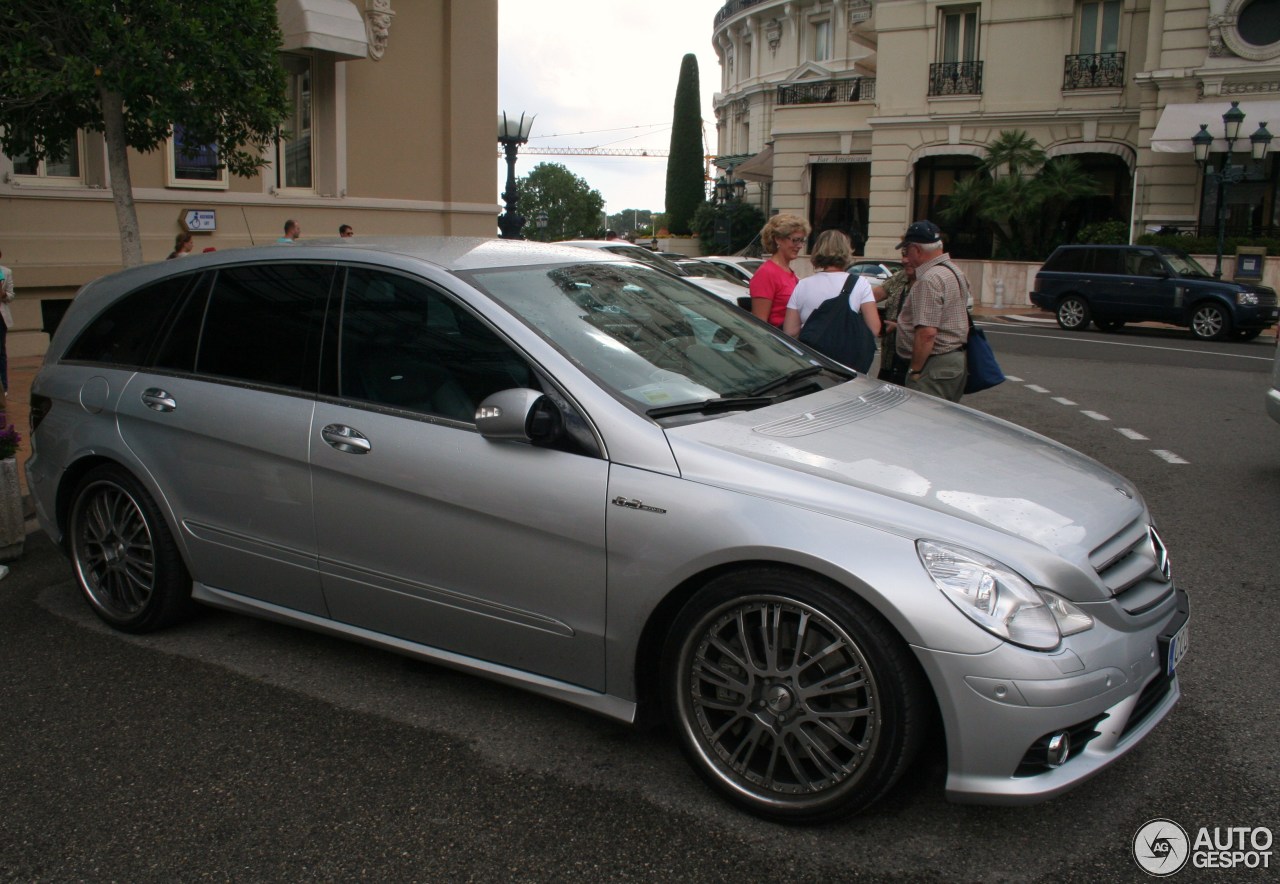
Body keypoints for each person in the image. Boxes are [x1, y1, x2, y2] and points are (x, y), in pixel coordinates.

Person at [894, 220, 970, 401]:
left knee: (923, 420)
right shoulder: (953, 271)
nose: (906, 258)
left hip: (935, 363)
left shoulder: (929, 279)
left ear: (916, 249)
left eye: (906, 251)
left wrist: (915, 370)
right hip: (954, 360)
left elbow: (927, 332)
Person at [783, 229, 880, 339]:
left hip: (811, 352)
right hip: (844, 353)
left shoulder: (802, 285)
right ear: (847, 251)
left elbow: (790, 331)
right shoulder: (860, 283)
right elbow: (874, 329)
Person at [749, 213, 810, 327]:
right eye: (795, 240)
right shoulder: (767, 273)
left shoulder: (788, 272)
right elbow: (759, 324)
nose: (800, 245)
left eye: (802, 240)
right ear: (778, 239)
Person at [873, 263, 913, 384]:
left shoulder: (928, 281)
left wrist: (899, 327)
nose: (905, 259)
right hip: (889, 359)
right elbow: (871, 296)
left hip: (912, 360)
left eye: (908, 253)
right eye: (903, 254)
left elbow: (929, 330)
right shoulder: (900, 277)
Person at [0, 250, 11, 396]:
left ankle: (4, 386)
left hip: (0, 317)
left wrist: (3, 294)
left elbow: (10, 295)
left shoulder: (5, 272)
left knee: (1, 352)